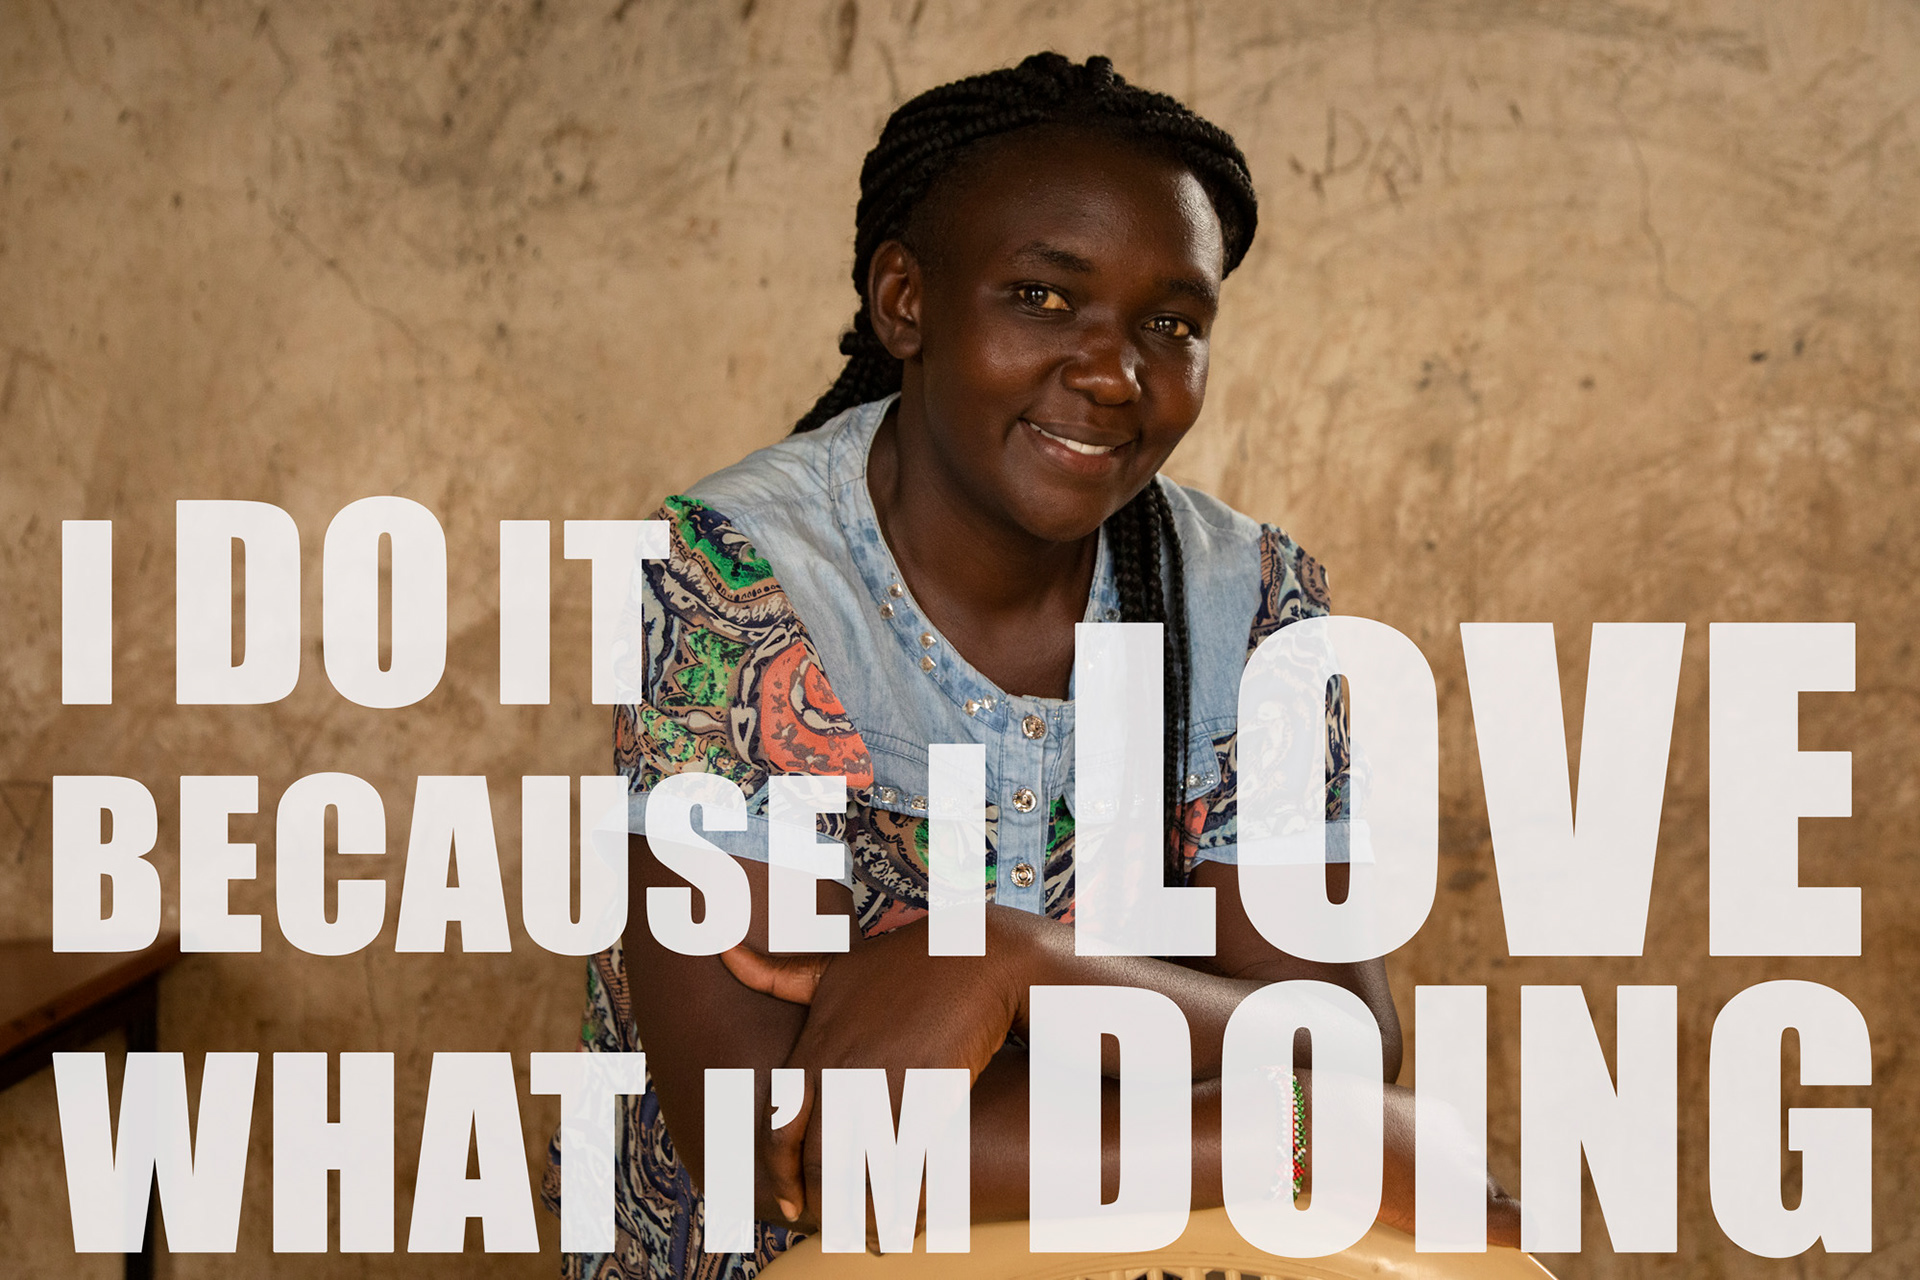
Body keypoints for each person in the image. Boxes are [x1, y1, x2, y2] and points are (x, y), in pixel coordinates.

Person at [543, 51, 1517, 1279]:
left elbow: (1337, 1034)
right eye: (1043, 298)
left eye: (1172, 324)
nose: (1114, 373)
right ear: (905, 301)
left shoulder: (1247, 600)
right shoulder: (732, 580)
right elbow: (779, 1146)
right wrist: (1291, 1136)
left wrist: (1016, 961)